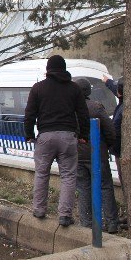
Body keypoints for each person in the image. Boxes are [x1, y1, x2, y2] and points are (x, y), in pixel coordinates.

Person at [24, 55, 90, 227]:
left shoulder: (38, 88)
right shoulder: (74, 89)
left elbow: (29, 114)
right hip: (68, 137)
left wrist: (29, 134)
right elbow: (83, 114)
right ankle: (65, 216)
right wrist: (84, 135)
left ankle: (39, 210)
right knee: (68, 175)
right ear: (64, 68)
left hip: (45, 137)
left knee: (41, 173)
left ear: (48, 69)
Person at [75, 78, 119, 233]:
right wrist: (107, 145)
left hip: (78, 155)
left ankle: (86, 223)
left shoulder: (69, 109)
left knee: (83, 188)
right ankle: (112, 223)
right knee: (105, 187)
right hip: (97, 154)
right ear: (89, 91)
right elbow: (110, 130)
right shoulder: (96, 107)